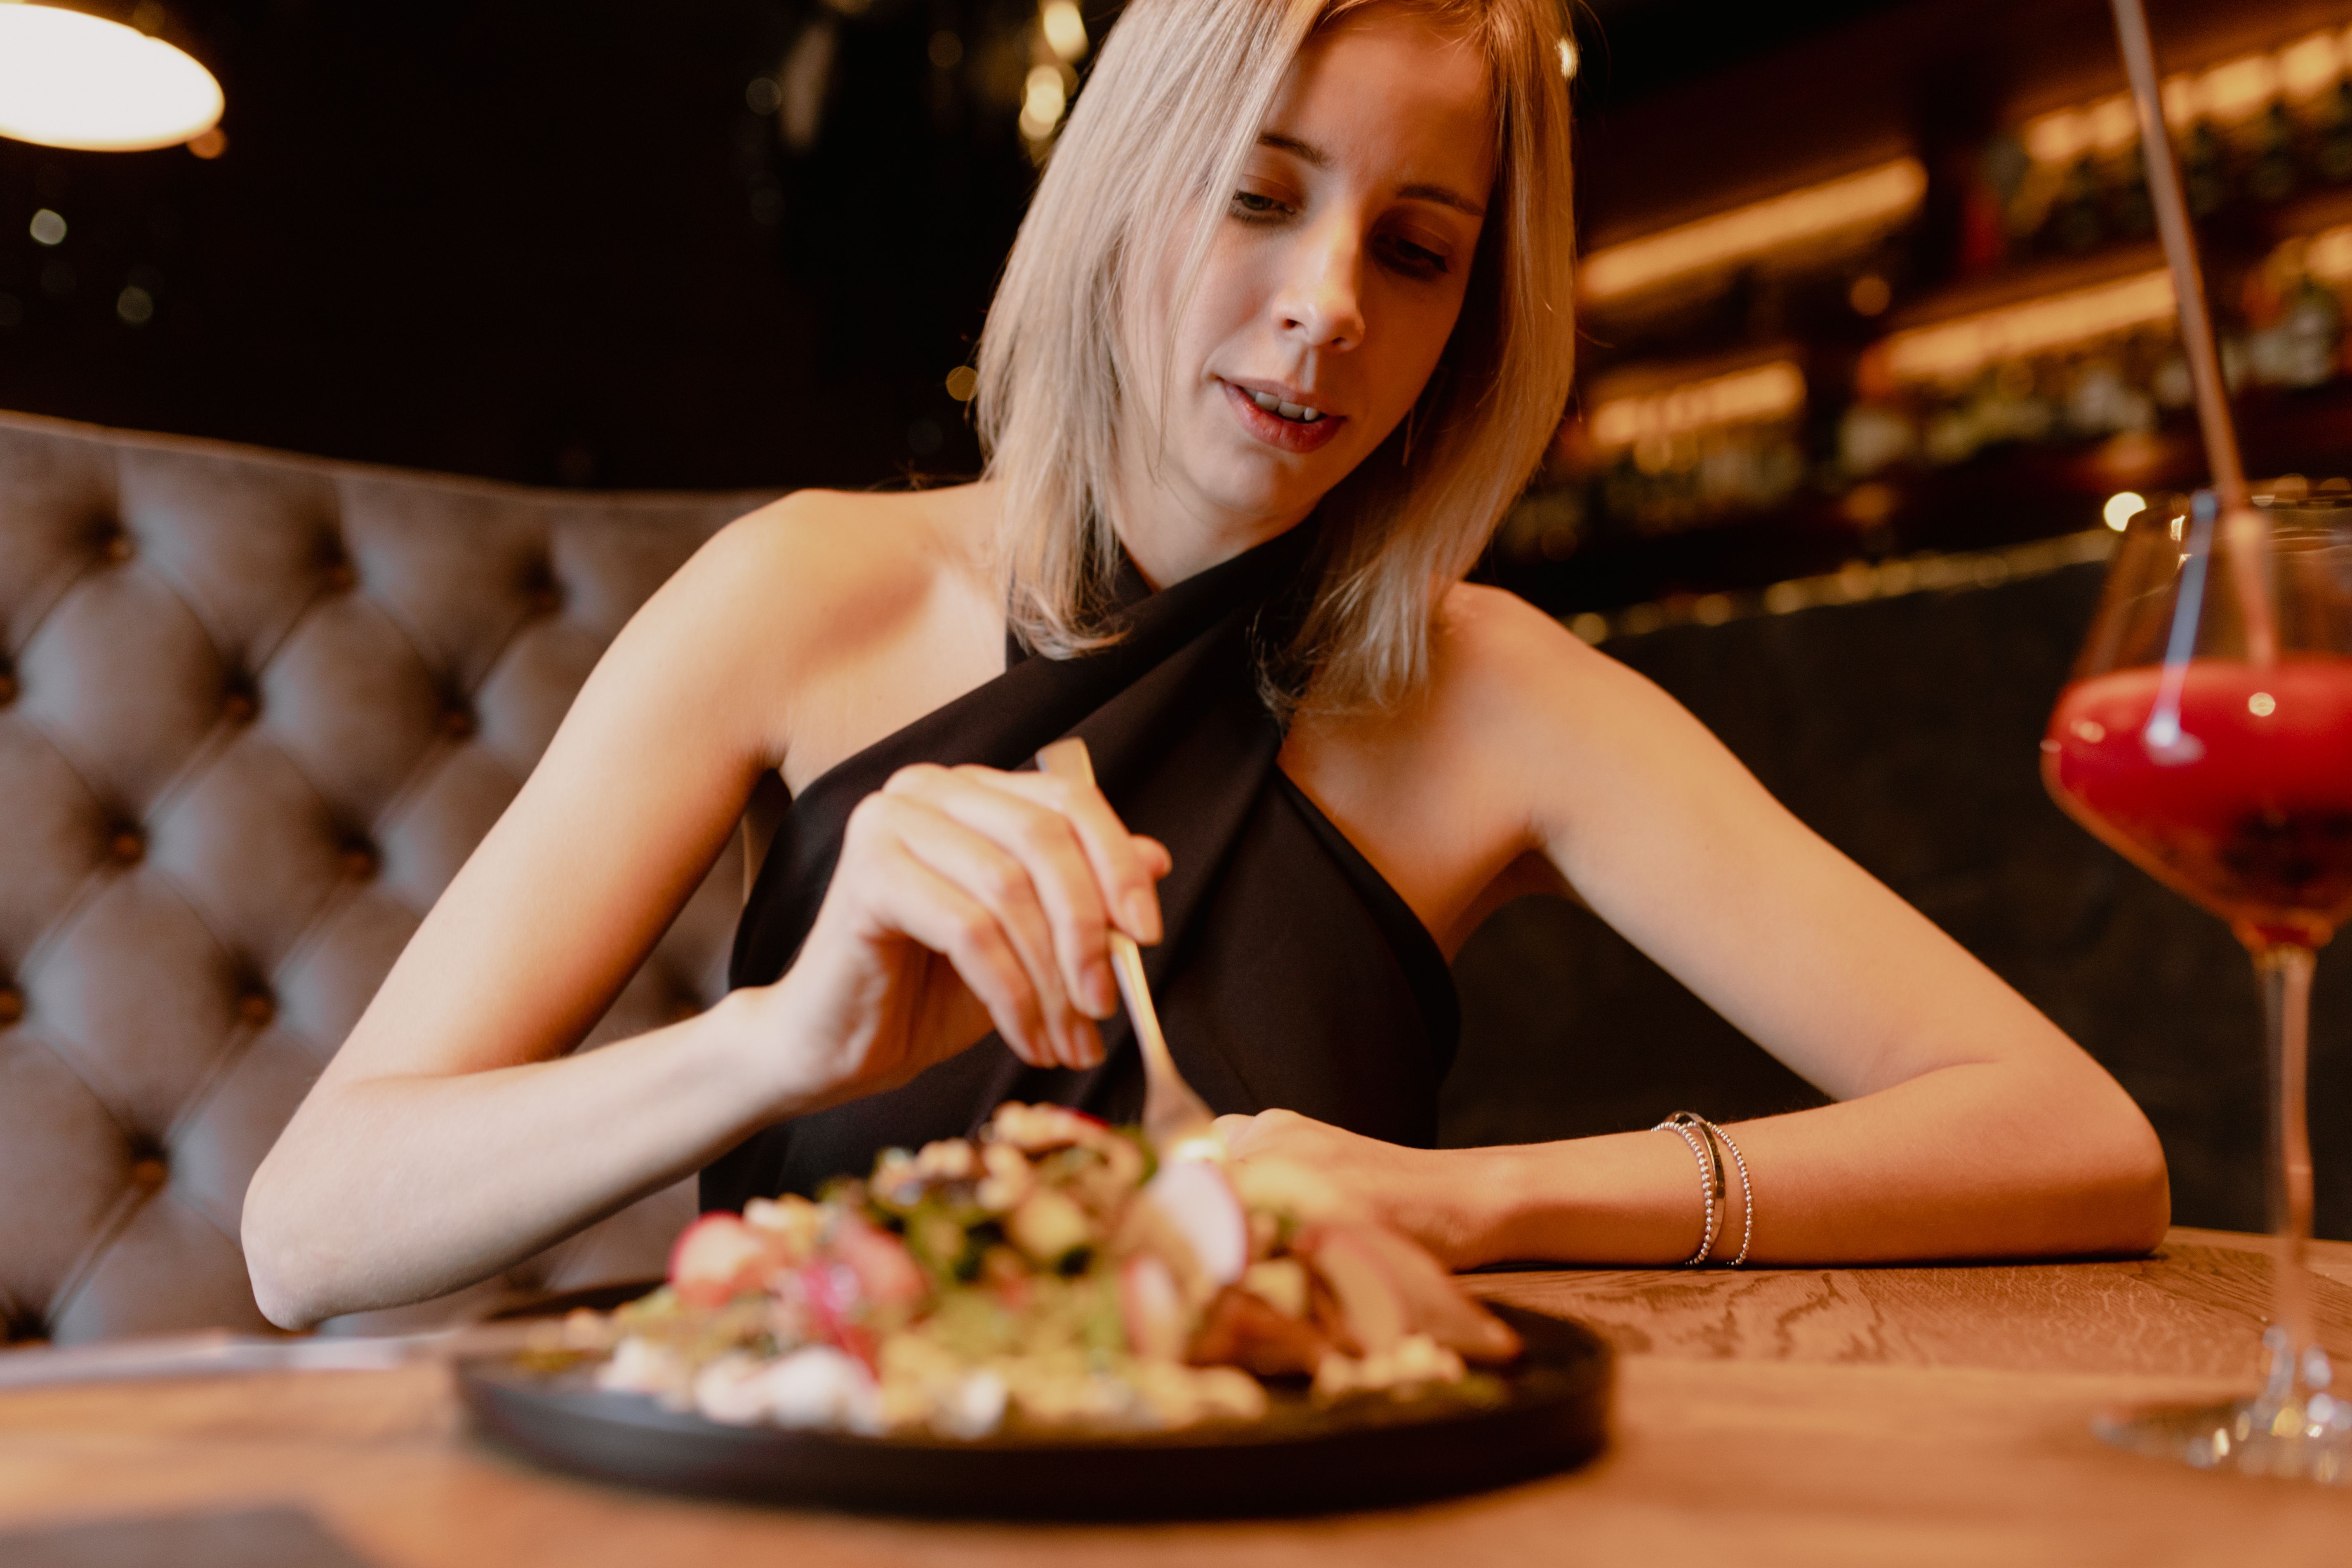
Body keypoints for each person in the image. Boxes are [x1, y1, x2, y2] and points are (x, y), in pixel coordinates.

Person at [242, 0, 2168, 1329]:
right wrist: (775, 1047)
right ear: (1126, 189)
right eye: (1260, 194)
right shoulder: (802, 592)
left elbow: (2073, 1136)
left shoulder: (1490, 693)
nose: (1327, 309)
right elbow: (309, 1230)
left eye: (1416, 252)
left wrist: (1475, 1202)